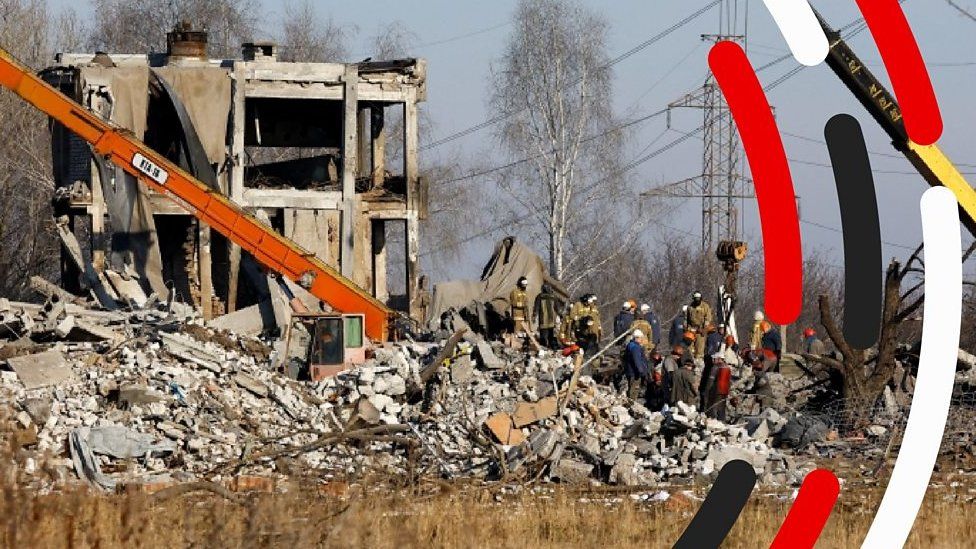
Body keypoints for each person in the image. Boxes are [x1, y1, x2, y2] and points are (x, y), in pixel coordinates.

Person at [623, 330, 651, 400]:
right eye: (641, 338)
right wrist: (641, 371)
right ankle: (631, 406)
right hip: (635, 373)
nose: (642, 340)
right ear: (637, 338)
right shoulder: (635, 348)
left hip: (630, 371)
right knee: (634, 391)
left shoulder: (630, 345)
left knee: (632, 388)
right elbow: (637, 360)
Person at [685, 291, 713, 360]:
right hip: (692, 330)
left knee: (699, 350)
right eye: (696, 299)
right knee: (689, 349)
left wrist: (704, 328)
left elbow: (708, 318)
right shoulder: (690, 307)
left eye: (698, 299)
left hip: (701, 331)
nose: (697, 301)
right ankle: (690, 362)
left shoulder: (705, 306)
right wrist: (687, 328)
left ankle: (699, 363)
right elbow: (686, 320)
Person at [705, 354, 732, 421]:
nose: (713, 360)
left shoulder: (715, 367)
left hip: (717, 390)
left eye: (714, 359)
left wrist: (707, 390)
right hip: (725, 391)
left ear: (719, 359)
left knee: (713, 406)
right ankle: (722, 421)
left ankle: (712, 420)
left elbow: (711, 380)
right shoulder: (727, 367)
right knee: (722, 407)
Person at [534, 284, 560, 349]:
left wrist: (534, 315)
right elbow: (557, 308)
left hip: (543, 320)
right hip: (551, 320)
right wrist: (560, 316)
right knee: (551, 335)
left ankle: (543, 348)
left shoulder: (539, 296)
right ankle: (552, 347)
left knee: (543, 335)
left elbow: (536, 307)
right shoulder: (554, 296)